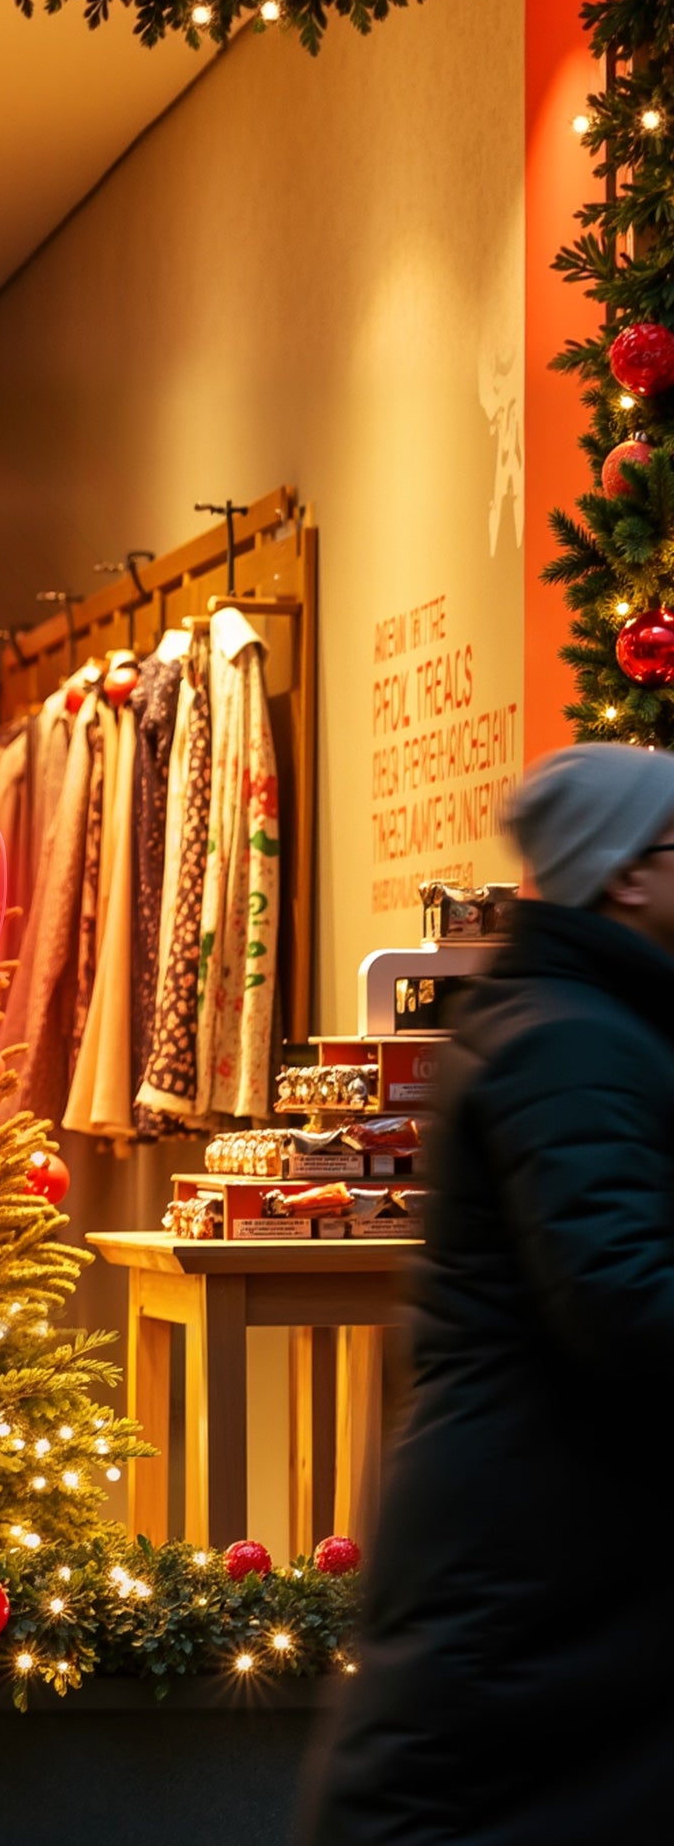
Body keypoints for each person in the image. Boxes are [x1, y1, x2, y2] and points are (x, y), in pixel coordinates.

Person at [303, 744, 674, 1846]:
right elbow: (620, 1296)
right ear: (627, 875)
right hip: (533, 1545)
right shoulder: (571, 1043)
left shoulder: (579, 1022)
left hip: (554, 1537)